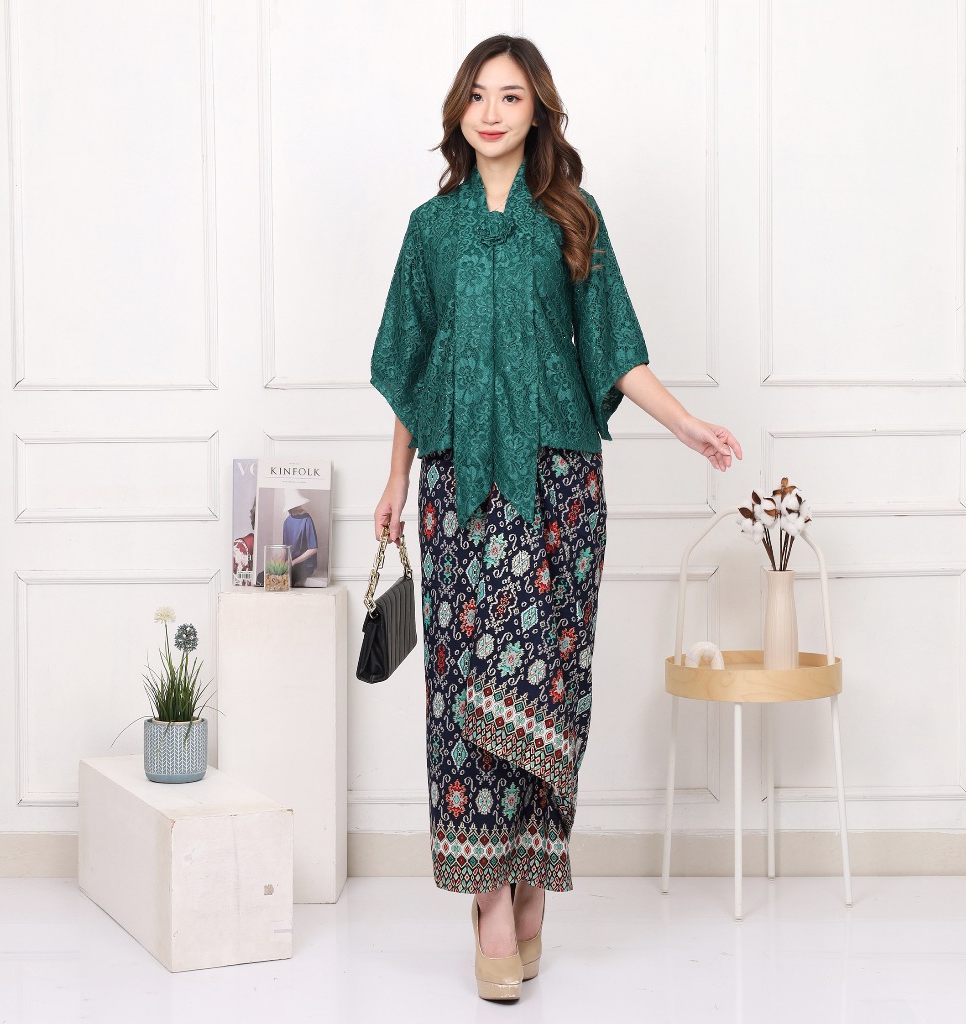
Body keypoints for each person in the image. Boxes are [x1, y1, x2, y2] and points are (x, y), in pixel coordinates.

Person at [370, 34, 742, 1001]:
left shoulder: (571, 216)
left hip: (561, 489)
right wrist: (394, 481)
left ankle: (534, 870)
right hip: (457, 489)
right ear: (458, 111)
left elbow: (614, 347)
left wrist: (686, 424)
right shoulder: (429, 230)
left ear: (537, 111)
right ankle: (490, 899)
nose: (492, 112)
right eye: (477, 95)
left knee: (552, 684)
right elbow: (412, 366)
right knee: (466, 686)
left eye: (511, 96)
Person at [280, 490, 318, 587]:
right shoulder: (286, 522)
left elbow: (313, 549)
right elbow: (285, 548)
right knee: (264, 575)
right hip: (291, 564)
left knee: (286, 579)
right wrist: (280, 564)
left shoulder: (306, 519)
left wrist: (292, 562)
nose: (298, 507)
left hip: (305, 566)